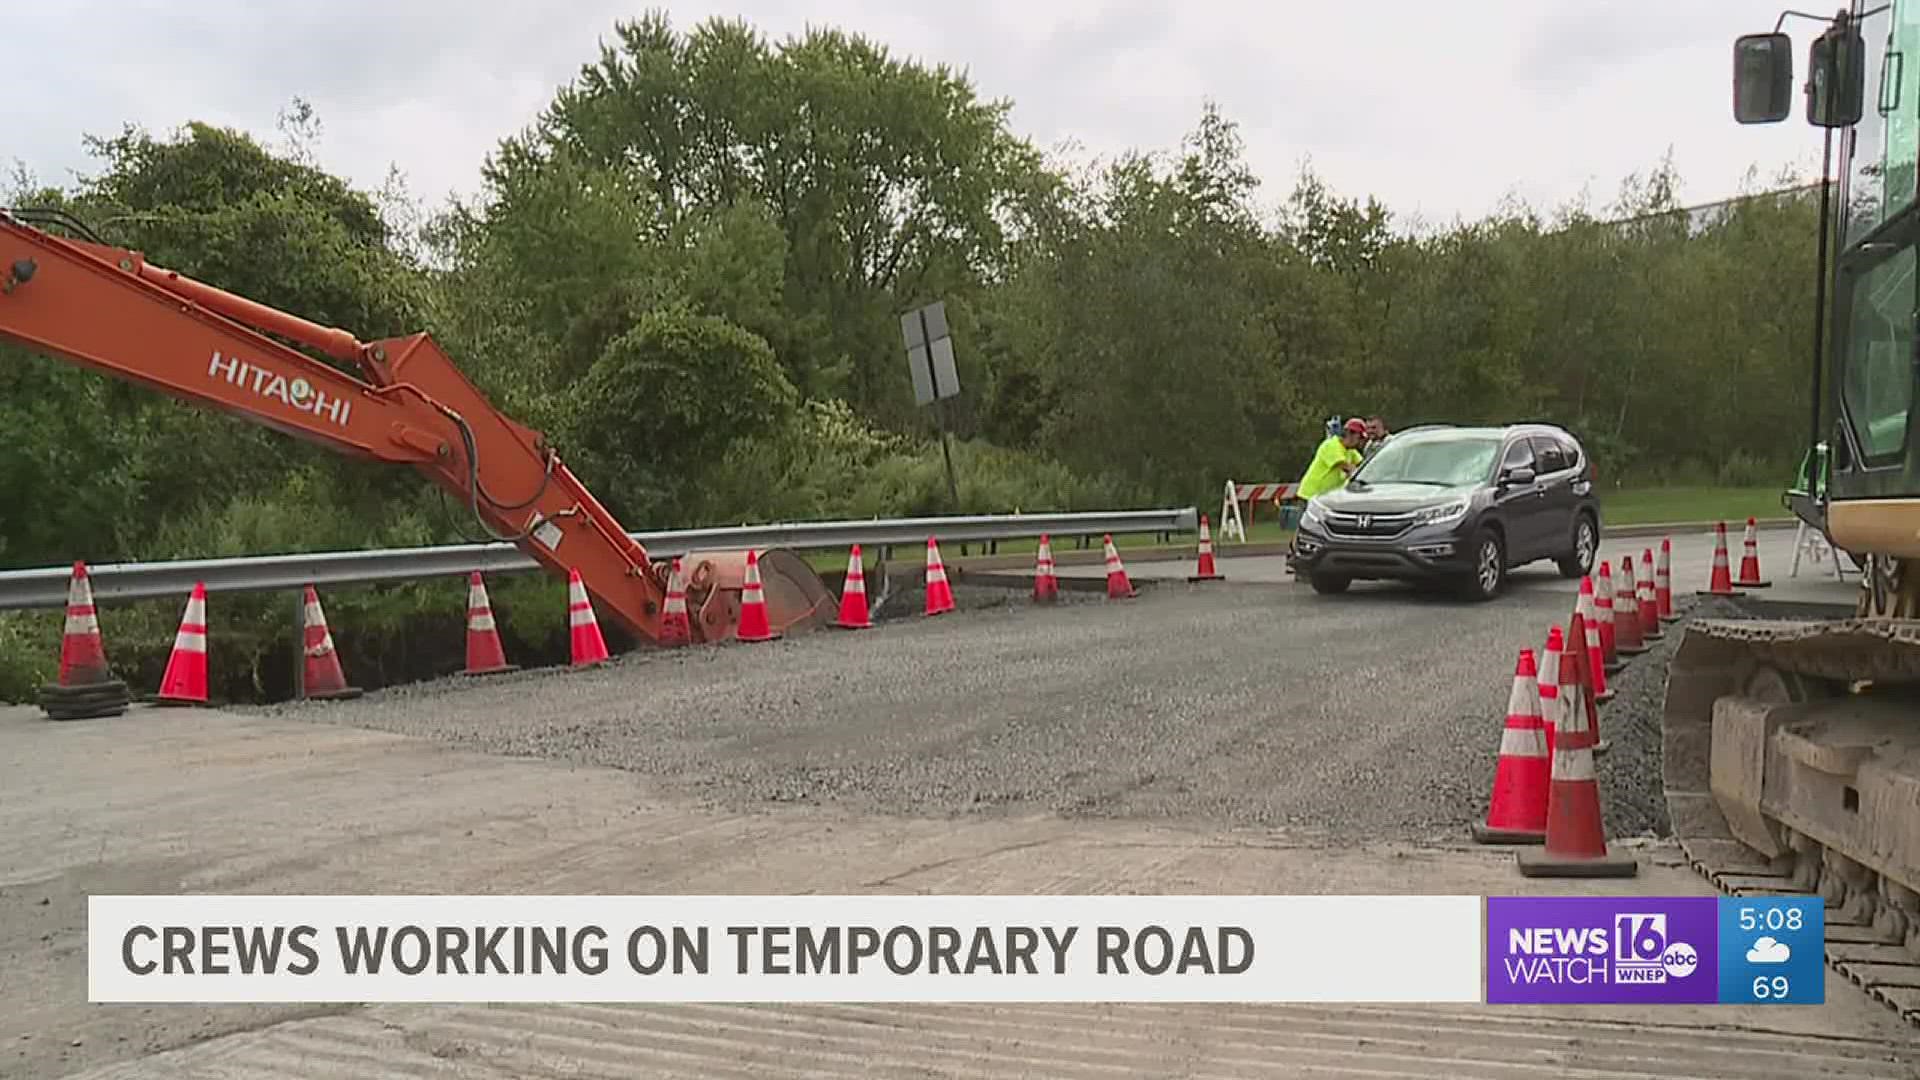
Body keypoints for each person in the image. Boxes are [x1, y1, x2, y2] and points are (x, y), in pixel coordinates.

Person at [1296, 418, 1369, 502]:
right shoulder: (1331, 445)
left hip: (1327, 498)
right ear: (1350, 434)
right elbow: (1348, 468)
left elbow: (1363, 466)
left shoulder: (1351, 451)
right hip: (1311, 496)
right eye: (1360, 438)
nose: (1362, 442)